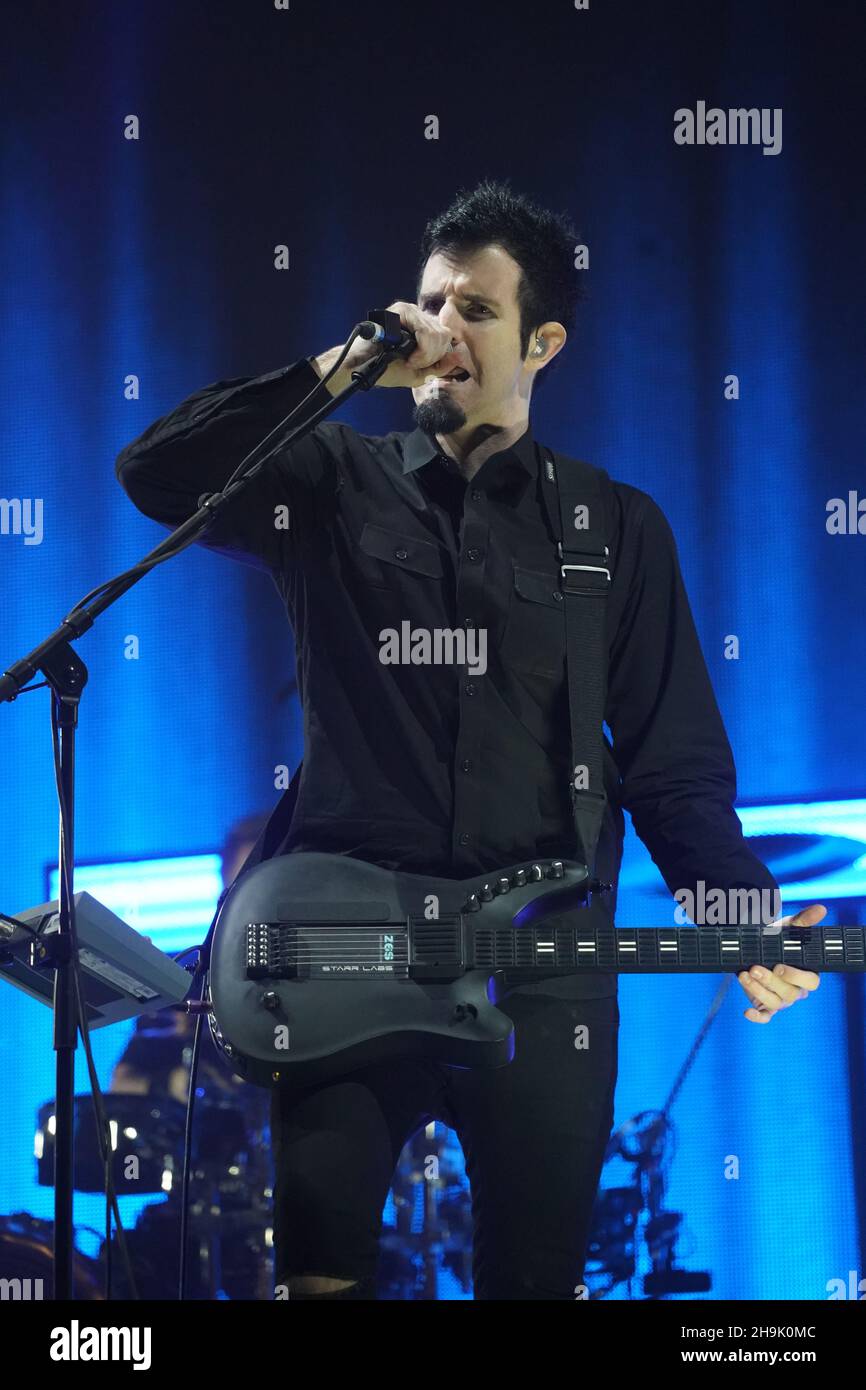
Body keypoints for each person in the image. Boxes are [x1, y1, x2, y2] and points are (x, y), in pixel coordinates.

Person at [115, 180, 822, 1300]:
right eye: (429, 300)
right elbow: (154, 472)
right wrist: (342, 372)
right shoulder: (331, 480)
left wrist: (741, 916)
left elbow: (673, 766)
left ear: (542, 341)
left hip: (541, 979)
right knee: (319, 1278)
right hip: (341, 950)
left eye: (473, 311)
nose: (439, 330)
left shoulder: (611, 527)